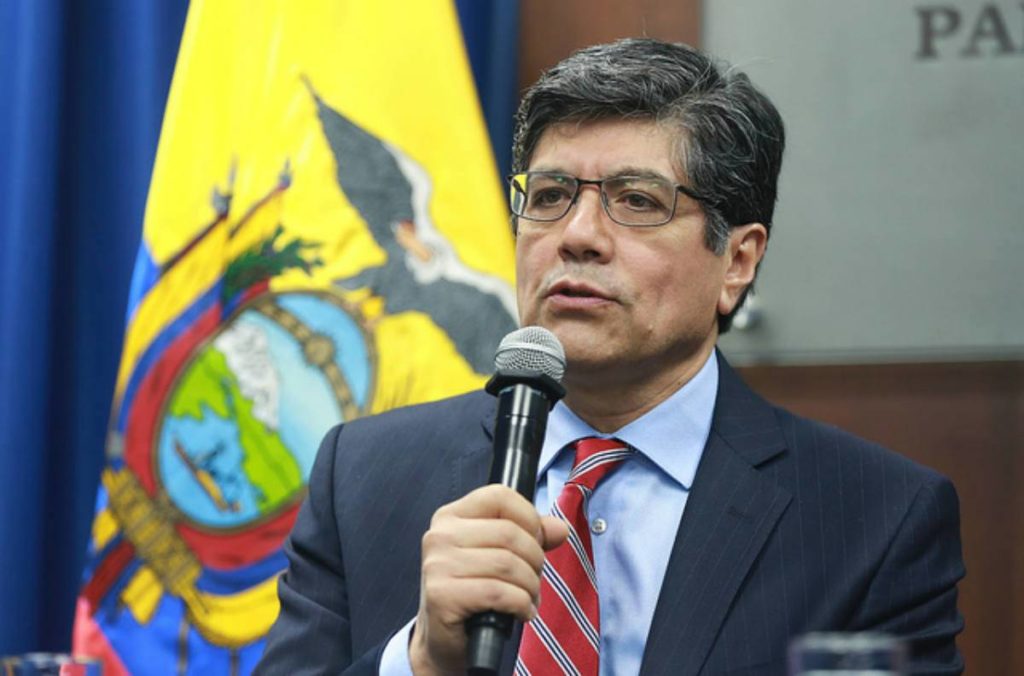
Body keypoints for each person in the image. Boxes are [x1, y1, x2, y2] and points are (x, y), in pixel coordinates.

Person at [256, 38, 965, 675]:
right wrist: (421, 665)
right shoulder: (364, 476)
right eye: (551, 195)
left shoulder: (875, 518)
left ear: (737, 262)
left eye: (637, 201)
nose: (577, 236)